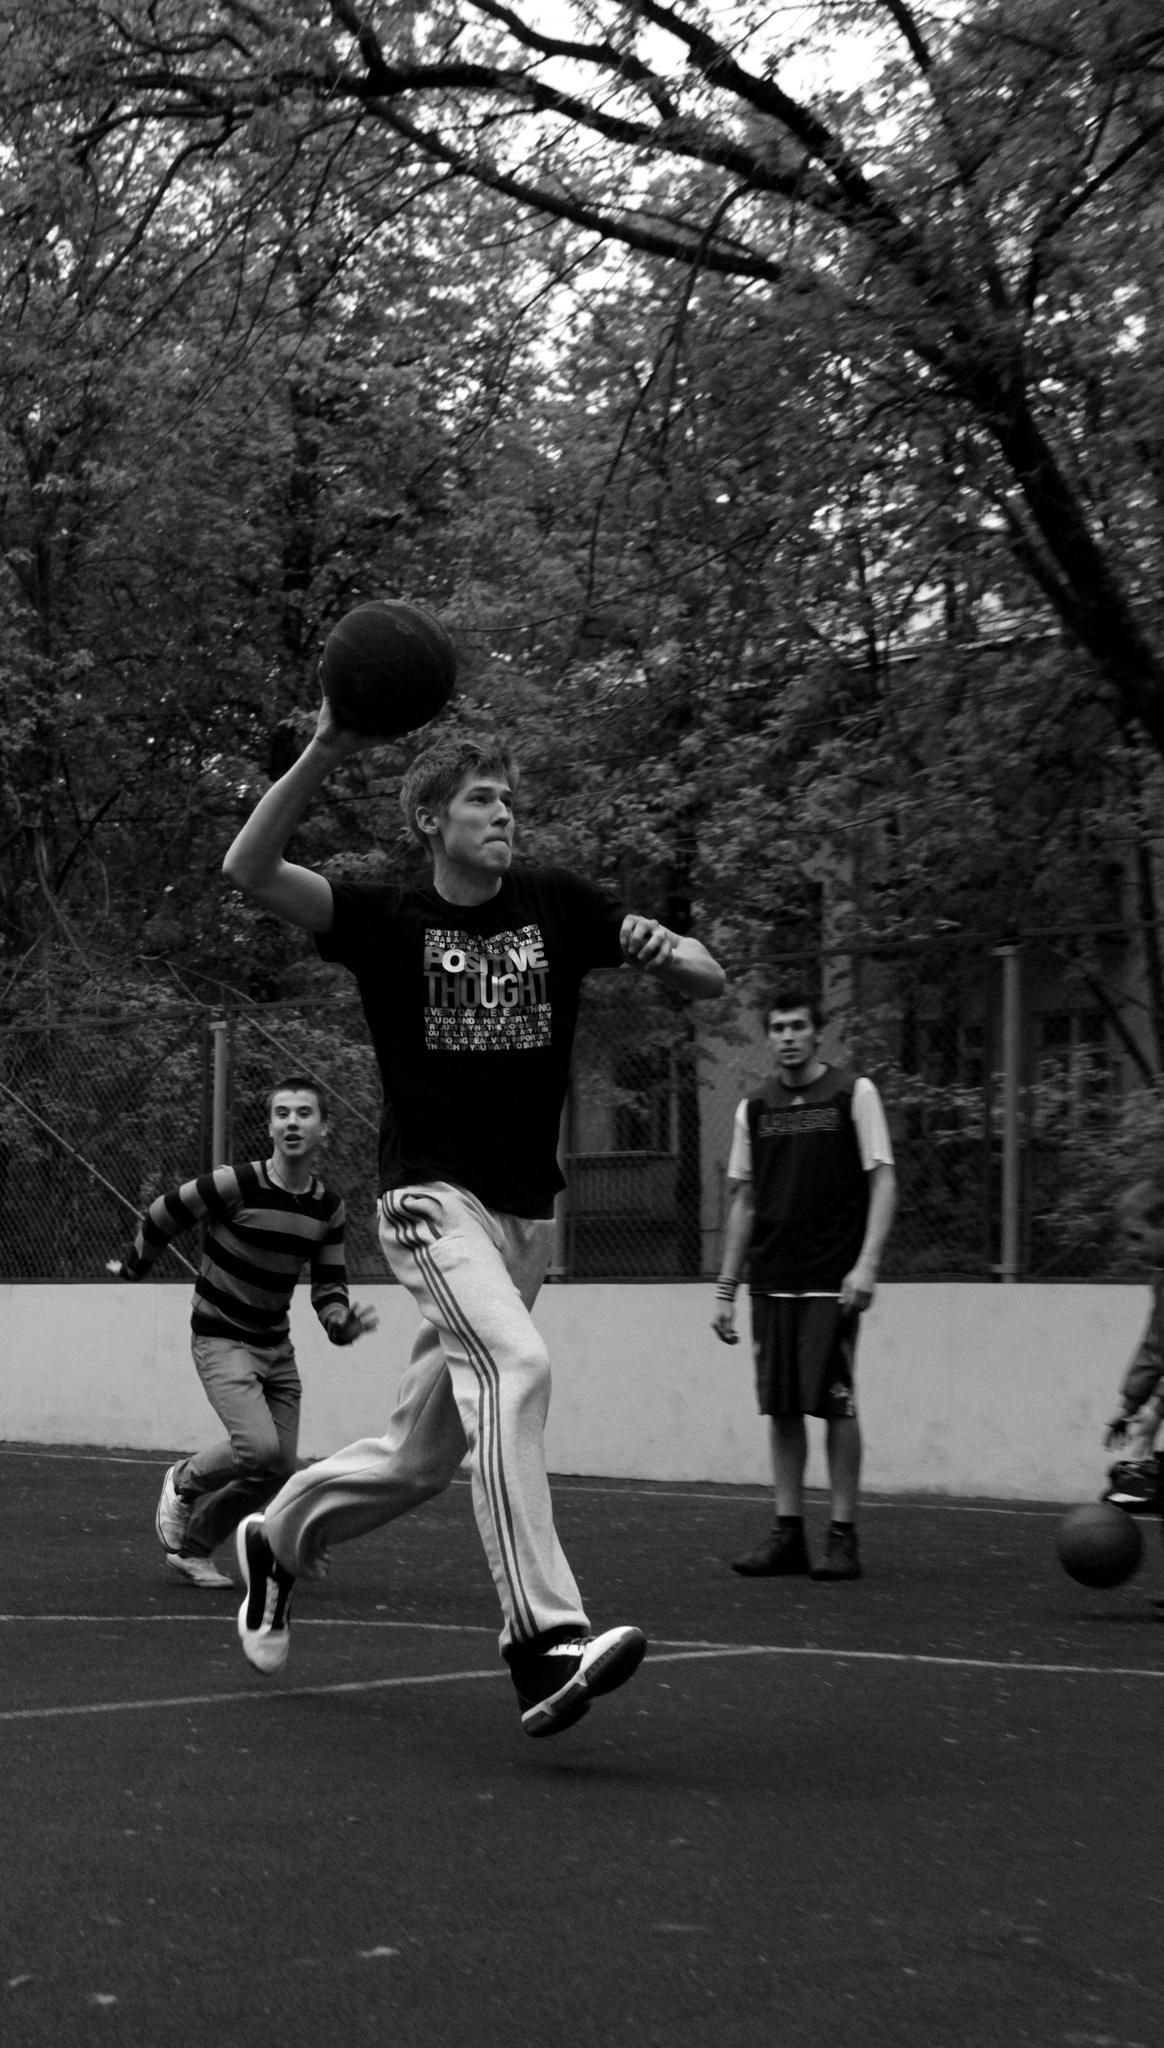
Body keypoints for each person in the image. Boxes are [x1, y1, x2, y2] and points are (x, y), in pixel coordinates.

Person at [220, 707, 725, 1736]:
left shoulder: (558, 904)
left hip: (523, 1220)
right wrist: (328, 745)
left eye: (509, 801)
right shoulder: (384, 918)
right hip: (429, 1200)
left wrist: (668, 948)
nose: (504, 816)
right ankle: (543, 1643)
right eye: (482, 800)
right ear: (430, 819)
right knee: (517, 1368)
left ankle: (274, 1540)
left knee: (418, 1459)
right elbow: (249, 868)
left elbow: (710, 974)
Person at [108, 1077, 378, 1587]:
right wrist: (135, 1267)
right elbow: (164, 1213)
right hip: (220, 1336)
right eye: (282, 1113)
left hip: (275, 1346)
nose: (292, 1122)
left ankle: (192, 1548)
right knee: (259, 1450)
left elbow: (328, 1287)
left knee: (278, 1468)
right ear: (270, 1127)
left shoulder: (327, 1207)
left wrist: (342, 1324)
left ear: (323, 1129)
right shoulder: (236, 1183)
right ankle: (183, 1481)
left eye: (304, 1113)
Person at [711, 989, 896, 1581]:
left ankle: (843, 1537)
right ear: (768, 1037)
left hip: (831, 1279)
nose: (788, 1036)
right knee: (782, 1406)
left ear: (817, 1033)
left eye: (798, 1026)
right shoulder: (755, 1108)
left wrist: (867, 1264)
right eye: (778, 1028)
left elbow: (883, 1182)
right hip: (771, 1279)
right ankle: (787, 1533)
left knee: (837, 1404)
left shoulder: (852, 1093)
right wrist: (726, 1288)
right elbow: (744, 1200)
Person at [1102, 1176, 1164, 1516]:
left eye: (1137, 1236)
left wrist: (1157, 1412)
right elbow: (1154, 1350)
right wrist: (1129, 1405)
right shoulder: (1161, 1281)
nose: (1131, 1248)